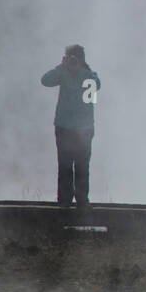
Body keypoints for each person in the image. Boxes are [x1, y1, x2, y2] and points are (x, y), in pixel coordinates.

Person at [41, 44, 100, 208]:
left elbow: (94, 89)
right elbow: (45, 81)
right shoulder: (63, 73)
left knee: (80, 166)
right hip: (67, 127)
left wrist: (80, 71)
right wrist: (62, 67)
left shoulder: (89, 76)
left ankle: (80, 201)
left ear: (81, 60)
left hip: (80, 128)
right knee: (66, 165)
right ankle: (65, 201)